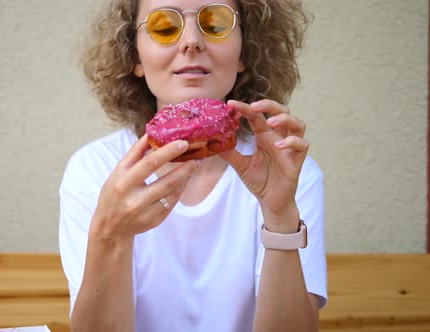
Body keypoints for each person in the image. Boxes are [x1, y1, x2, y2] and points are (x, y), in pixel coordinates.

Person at [59, 0, 326, 331]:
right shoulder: (93, 170)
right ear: (135, 57)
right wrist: (110, 234)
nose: (191, 41)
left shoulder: (290, 172)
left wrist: (280, 217)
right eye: (164, 26)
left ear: (244, 52)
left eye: (215, 23)